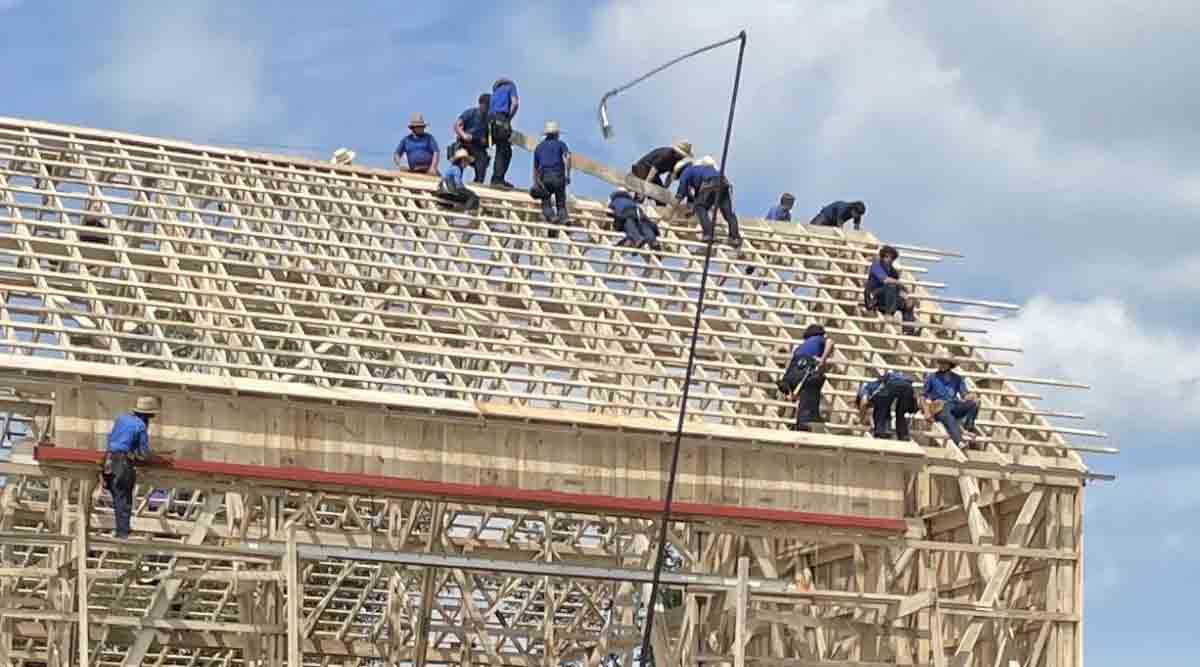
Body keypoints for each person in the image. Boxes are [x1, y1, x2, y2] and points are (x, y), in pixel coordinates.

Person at [102, 395, 169, 538]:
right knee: (124, 499)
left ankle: (122, 529)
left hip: (108, 461)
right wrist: (159, 459)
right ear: (147, 416)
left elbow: (112, 438)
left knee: (117, 498)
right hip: (122, 464)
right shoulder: (140, 426)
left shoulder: (122, 419)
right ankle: (123, 533)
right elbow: (143, 453)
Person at [776, 324, 834, 431]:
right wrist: (823, 359)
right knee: (812, 387)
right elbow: (830, 342)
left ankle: (801, 422)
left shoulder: (800, 347)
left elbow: (790, 373)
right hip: (806, 367)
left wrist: (790, 393)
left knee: (802, 392)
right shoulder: (819, 339)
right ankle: (805, 422)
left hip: (792, 374)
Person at [674, 155, 742, 246]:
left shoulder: (686, 171)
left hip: (710, 184)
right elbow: (700, 196)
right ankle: (735, 238)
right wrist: (692, 209)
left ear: (679, 172)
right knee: (728, 214)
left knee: (700, 207)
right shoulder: (701, 170)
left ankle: (708, 234)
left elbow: (682, 188)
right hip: (723, 183)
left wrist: (674, 206)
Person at [923, 357, 981, 447]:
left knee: (973, 403)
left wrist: (971, 397)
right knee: (948, 418)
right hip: (939, 407)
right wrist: (927, 411)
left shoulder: (957, 378)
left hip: (954, 405)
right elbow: (924, 395)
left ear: (950, 365)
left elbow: (964, 395)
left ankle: (968, 428)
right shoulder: (932, 377)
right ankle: (959, 441)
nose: (941, 365)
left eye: (944, 363)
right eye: (940, 362)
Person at [865, 245, 918, 336]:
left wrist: (906, 297)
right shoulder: (876, 266)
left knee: (908, 304)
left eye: (891, 257)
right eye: (886, 256)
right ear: (882, 256)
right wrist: (899, 283)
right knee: (891, 286)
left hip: (889, 299)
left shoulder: (893, 272)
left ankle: (908, 331)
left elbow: (899, 289)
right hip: (875, 297)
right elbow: (885, 280)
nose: (888, 259)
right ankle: (888, 314)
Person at [856, 369, 917, 440]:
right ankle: (903, 436)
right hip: (908, 386)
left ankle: (880, 433)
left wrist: (860, 420)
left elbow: (863, 403)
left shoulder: (865, 388)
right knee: (900, 413)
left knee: (880, 410)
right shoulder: (875, 385)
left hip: (892, 384)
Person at [532, 121, 571, 229]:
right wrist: (567, 174)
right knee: (561, 202)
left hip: (545, 177)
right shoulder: (560, 144)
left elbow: (535, 168)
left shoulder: (539, 147)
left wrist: (536, 183)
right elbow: (567, 157)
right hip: (558, 176)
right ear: (556, 134)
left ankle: (551, 216)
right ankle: (564, 218)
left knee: (546, 202)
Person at [488, 77, 520, 188]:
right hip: (501, 119)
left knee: (500, 149)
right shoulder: (510, 88)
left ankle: (497, 178)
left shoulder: (494, 94)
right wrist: (509, 118)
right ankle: (497, 179)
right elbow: (515, 104)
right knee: (505, 151)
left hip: (491, 123)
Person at [454, 93, 491, 183]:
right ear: (481, 104)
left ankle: (478, 182)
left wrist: (486, 141)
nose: (487, 108)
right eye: (486, 105)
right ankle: (456, 181)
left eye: (489, 106)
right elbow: (457, 125)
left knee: (483, 160)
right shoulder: (471, 113)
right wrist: (464, 135)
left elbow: (491, 135)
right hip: (464, 144)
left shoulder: (489, 118)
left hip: (478, 147)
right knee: (460, 156)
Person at [435, 147, 480, 212]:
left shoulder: (454, 168)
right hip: (448, 192)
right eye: (466, 161)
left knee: (466, 197)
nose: (467, 164)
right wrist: (467, 191)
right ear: (462, 160)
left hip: (443, 192)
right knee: (473, 196)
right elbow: (458, 185)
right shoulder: (456, 169)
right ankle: (468, 211)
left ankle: (464, 209)